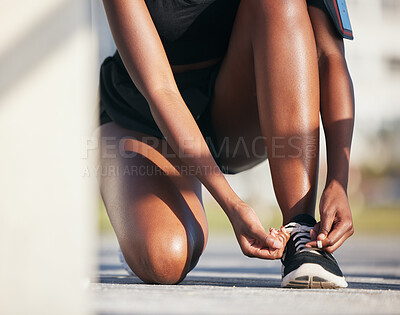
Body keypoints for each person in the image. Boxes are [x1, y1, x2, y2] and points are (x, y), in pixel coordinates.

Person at [97, 0, 355, 288]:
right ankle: (140, 220)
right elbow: (161, 91)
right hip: (145, 116)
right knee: (165, 258)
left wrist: (338, 181)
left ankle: (301, 230)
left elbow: (329, 56)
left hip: (234, 110)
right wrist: (232, 205)